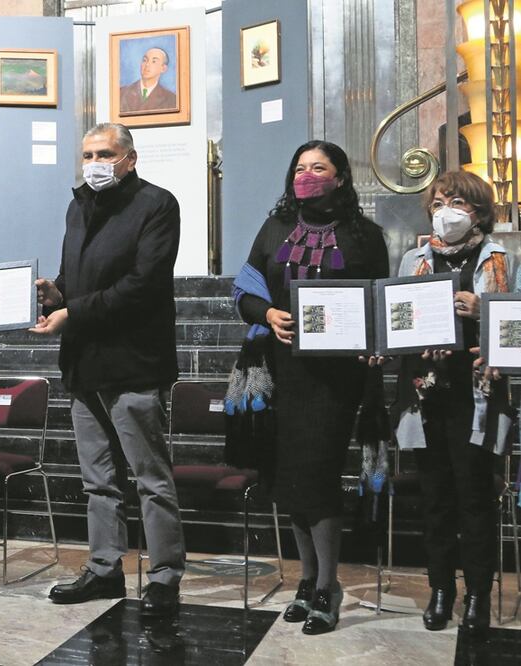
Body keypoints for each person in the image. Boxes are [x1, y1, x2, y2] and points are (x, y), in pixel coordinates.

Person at [33, 123, 185, 629]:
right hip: (84, 363)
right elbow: (76, 276)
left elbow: (143, 285)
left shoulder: (157, 205)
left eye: (105, 154)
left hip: (134, 361)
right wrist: (55, 293)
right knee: (98, 480)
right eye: (88, 155)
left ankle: (164, 577)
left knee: (150, 480)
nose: (95, 163)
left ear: (130, 159)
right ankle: (104, 569)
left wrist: (72, 311)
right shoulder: (78, 206)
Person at [235, 141, 389, 635]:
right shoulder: (275, 227)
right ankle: (306, 581)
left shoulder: (365, 235)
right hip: (281, 371)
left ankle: (328, 586)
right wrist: (268, 313)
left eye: (318, 167)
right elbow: (245, 291)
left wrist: (375, 344)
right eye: (300, 167)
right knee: (290, 481)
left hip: (336, 378)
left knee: (318, 478)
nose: (307, 175)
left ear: (339, 177)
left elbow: (379, 303)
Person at [392, 171, 513, 635]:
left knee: (475, 498)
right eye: (439, 203)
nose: (446, 211)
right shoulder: (414, 259)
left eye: (457, 202)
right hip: (427, 392)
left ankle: (478, 593)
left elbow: (515, 323)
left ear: (478, 212)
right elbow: (399, 319)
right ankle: (441, 589)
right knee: (436, 499)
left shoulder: (501, 259)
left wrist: (483, 311)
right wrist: (413, 339)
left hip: (478, 392)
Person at [118, 47, 177, 114]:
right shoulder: (122, 92)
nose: (147, 64)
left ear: (163, 68)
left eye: (154, 61)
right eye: (145, 60)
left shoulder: (171, 99)